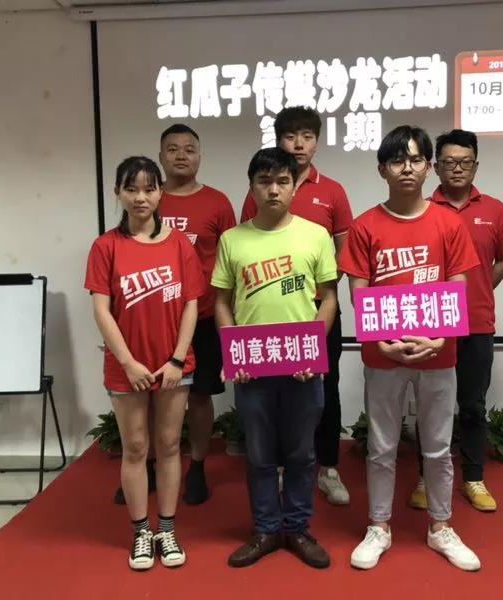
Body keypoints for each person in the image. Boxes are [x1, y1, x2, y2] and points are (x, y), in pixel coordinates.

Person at [338, 126, 482, 571]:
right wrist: (381, 340)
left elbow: (459, 286)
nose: (407, 168)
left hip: (439, 353)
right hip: (383, 356)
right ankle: (378, 526)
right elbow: (359, 293)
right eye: (397, 160)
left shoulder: (449, 224)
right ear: (382, 169)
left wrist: (441, 338)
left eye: (416, 159)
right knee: (381, 446)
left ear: (428, 167)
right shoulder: (365, 226)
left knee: (437, 447)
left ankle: (441, 527)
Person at [213, 147, 338, 569]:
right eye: (264, 181)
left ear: (293, 187)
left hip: (303, 367)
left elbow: (329, 298)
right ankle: (266, 529)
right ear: (251, 187)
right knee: (260, 455)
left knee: (302, 454)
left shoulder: (315, 235)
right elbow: (222, 302)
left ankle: (297, 528)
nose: (273, 190)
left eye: (282, 181)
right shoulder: (233, 240)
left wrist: (313, 351)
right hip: (253, 367)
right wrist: (235, 352)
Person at [85, 156, 205, 570]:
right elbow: (102, 310)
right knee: (136, 448)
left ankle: (166, 529)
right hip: (126, 370)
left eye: (149, 188)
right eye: (131, 189)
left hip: (174, 367)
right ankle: (141, 532)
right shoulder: (106, 247)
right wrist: (129, 363)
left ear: (160, 193)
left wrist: (176, 360)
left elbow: (191, 304)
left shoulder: (180, 244)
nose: (141, 197)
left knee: (169, 445)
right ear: (117, 192)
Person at [110, 124, 236, 506]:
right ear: (161, 156)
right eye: (173, 149)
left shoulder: (217, 202)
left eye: (189, 149)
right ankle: (147, 465)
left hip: (203, 316)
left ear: (200, 156)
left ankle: (196, 466)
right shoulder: (147, 198)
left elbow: (231, 260)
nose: (181, 155)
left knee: (199, 397)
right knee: (147, 395)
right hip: (151, 318)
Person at [408, 129, 503, 513]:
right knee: (430, 407)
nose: (457, 169)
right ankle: (425, 478)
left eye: (465, 162)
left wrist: (479, 288)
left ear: (476, 166)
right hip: (431, 326)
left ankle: (473, 478)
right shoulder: (422, 209)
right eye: (449, 162)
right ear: (435, 167)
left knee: (473, 405)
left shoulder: (494, 210)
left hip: (476, 324)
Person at [241, 106, 354, 506]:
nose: (299, 144)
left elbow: (344, 253)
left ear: (317, 141)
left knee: (325, 388)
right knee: (272, 393)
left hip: (319, 311)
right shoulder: (262, 189)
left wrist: (316, 297)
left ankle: (328, 468)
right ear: (278, 140)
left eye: (307, 136)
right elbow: (247, 247)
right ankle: (279, 468)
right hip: (271, 314)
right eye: (290, 136)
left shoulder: (333, 191)